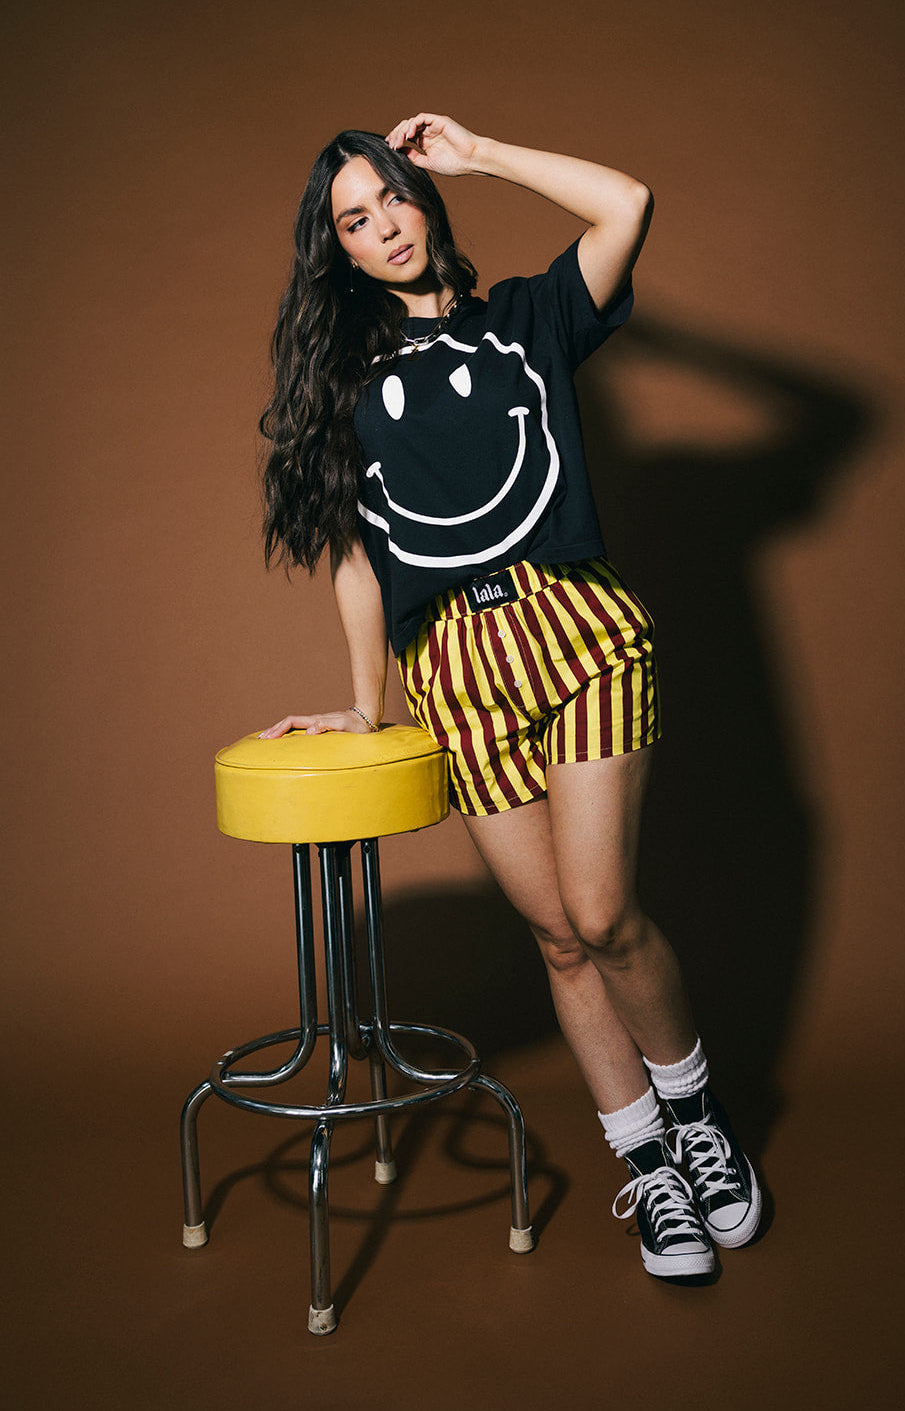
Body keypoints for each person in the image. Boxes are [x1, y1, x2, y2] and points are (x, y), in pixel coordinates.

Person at [258, 113, 761, 1279]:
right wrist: (370, 706)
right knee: (554, 936)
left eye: (393, 197)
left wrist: (477, 152)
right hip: (457, 671)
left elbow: (624, 200)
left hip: (576, 632)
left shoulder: (528, 319)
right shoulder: (346, 384)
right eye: (354, 219)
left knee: (600, 913)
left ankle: (698, 1122)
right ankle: (648, 1167)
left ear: (426, 202)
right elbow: (355, 558)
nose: (383, 225)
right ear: (333, 250)